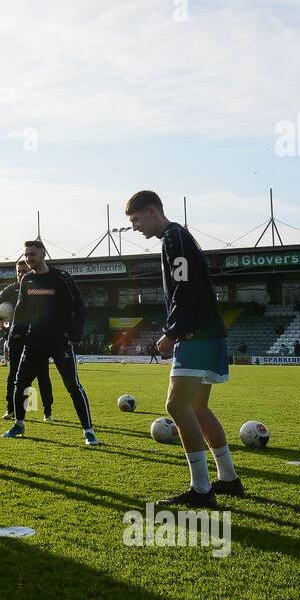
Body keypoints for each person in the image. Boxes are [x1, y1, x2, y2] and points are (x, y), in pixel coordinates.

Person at [126, 190, 238, 508]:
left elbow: (184, 289)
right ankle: (228, 479)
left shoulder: (173, 238)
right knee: (198, 409)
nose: (135, 227)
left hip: (195, 335)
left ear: (152, 211)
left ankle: (201, 490)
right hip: (209, 333)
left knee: (176, 406)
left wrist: (173, 332)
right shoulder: (179, 236)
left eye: (135, 220)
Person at [3, 241, 97, 446]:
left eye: (33, 254)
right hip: (34, 340)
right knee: (21, 384)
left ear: (43, 253)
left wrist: (75, 334)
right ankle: (19, 424)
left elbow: (79, 306)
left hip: (60, 340)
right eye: (26, 255)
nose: (29, 258)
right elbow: (21, 310)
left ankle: (88, 431)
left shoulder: (61, 278)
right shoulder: (27, 280)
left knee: (73, 386)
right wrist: (12, 337)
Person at [0, 258, 54, 422]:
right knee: (14, 375)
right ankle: (11, 409)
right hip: (16, 340)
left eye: (24, 271)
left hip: (37, 340)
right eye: (18, 271)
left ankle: (47, 411)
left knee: (41, 375)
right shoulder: (10, 289)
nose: (21, 274)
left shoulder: (40, 289)